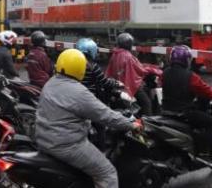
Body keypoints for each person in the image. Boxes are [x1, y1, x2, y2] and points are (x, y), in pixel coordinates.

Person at [35, 48, 136, 188]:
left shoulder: (50, 83)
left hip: (44, 140)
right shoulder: (78, 91)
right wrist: (131, 124)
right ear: (80, 69)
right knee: (107, 172)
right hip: (67, 145)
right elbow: (105, 115)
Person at [162, 45, 212, 161]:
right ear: (187, 60)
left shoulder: (164, 73)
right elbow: (205, 90)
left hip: (166, 110)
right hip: (184, 112)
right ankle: (203, 151)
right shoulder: (190, 76)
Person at [105, 32, 157, 115]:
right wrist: (154, 70)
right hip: (129, 85)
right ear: (129, 44)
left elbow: (109, 71)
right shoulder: (128, 56)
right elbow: (141, 70)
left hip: (117, 86)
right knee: (146, 103)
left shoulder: (115, 54)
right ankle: (148, 124)